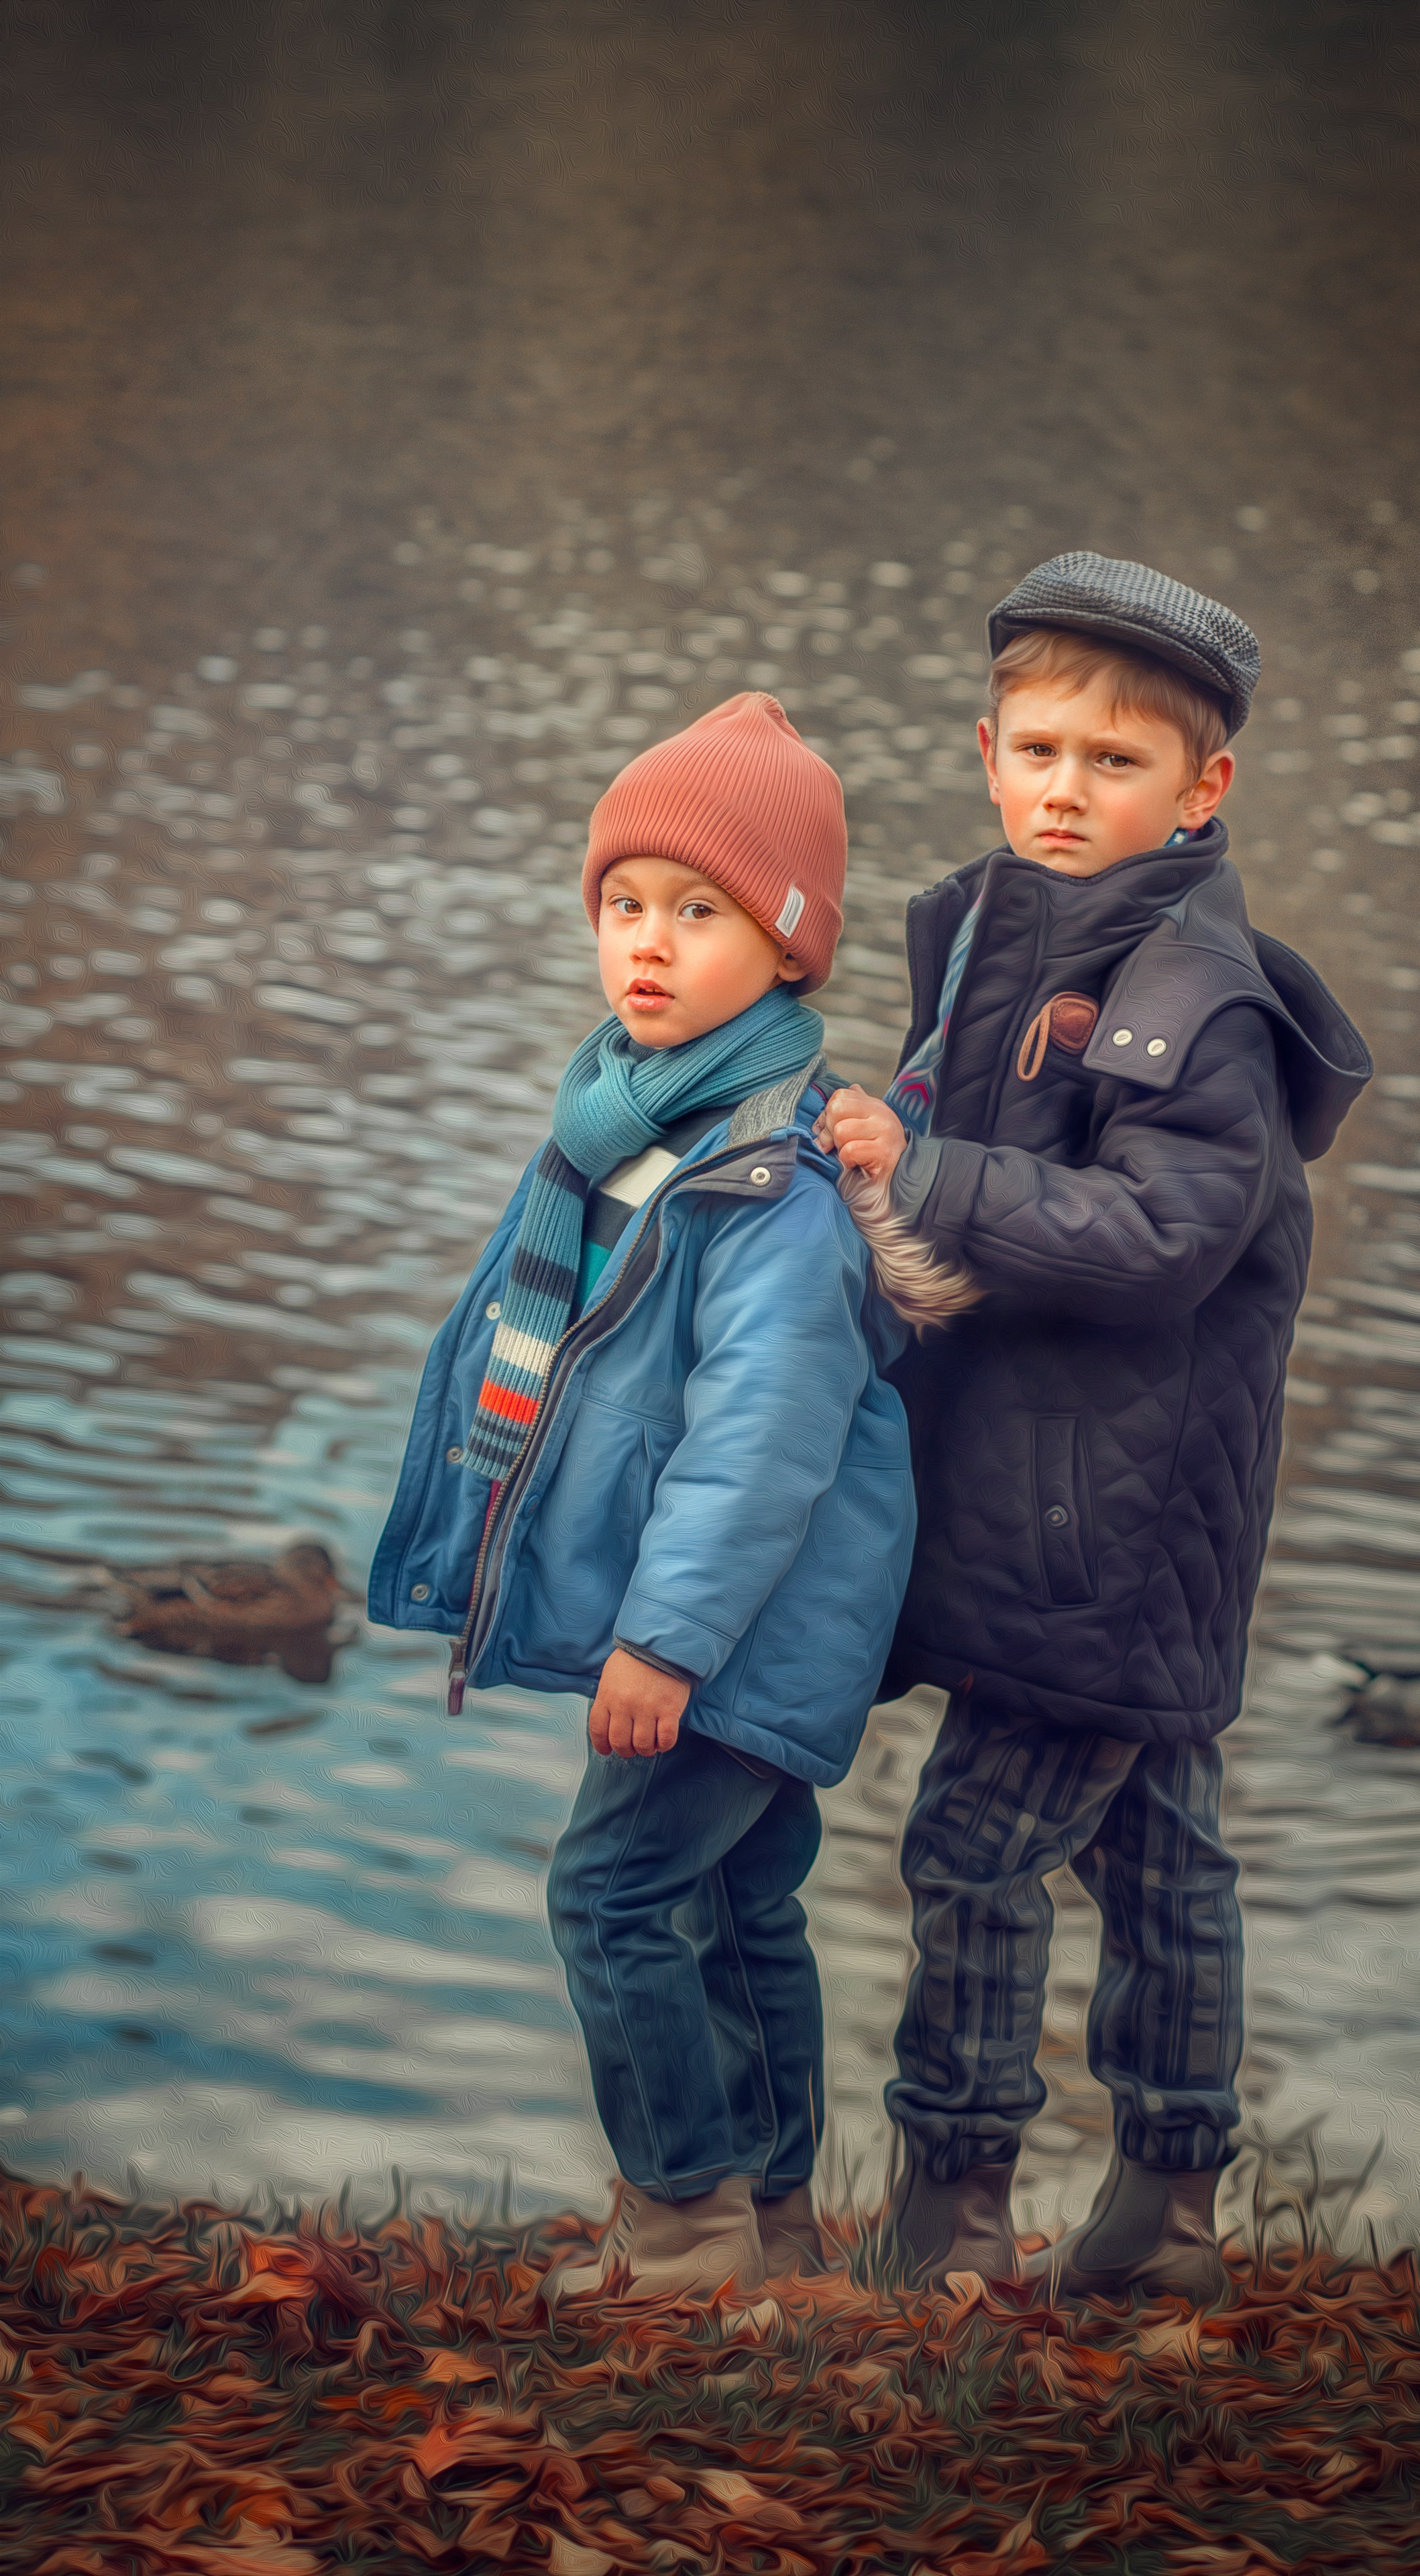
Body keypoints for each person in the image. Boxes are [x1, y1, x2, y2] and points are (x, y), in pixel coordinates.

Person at [816, 553, 1372, 2300]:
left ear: (1201, 789)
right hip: (1074, 1502)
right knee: (1158, 1848)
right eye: (1040, 751)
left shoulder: (1189, 999)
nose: (1066, 789)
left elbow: (1163, 1239)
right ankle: (1169, 2214)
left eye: (1114, 762)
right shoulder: (996, 937)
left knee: (968, 1851)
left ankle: (951, 2210)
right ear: (987, 754)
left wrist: (930, 1177)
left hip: (1107, 1527)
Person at [370, 692, 950, 2302]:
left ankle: (683, 2226)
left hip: (735, 1621)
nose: (646, 940)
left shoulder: (774, 1181)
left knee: (612, 1892)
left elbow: (758, 1442)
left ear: (787, 946)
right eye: (623, 902)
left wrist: (664, 1641)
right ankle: (769, 2231)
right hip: (727, 1618)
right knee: (738, 1901)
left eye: (699, 911)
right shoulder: (618, 1127)